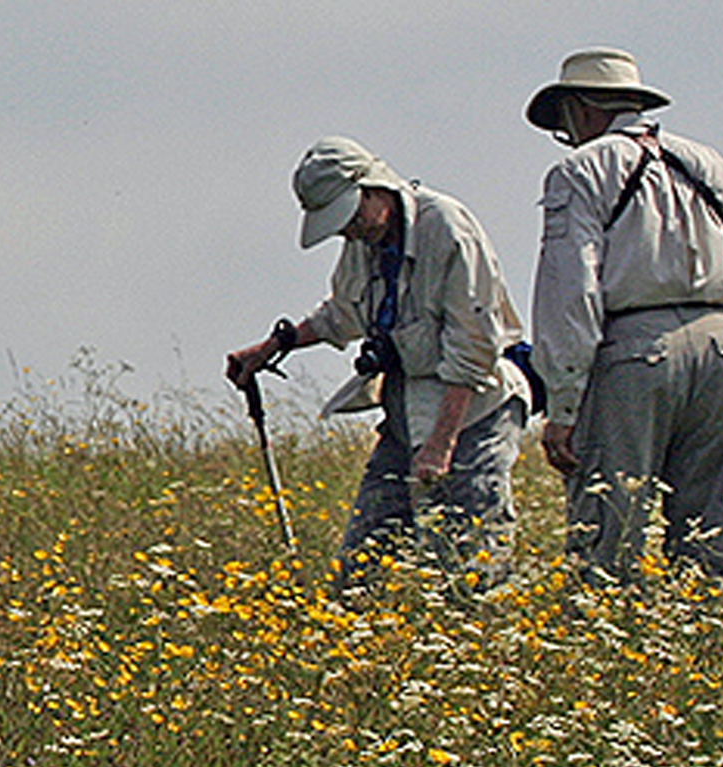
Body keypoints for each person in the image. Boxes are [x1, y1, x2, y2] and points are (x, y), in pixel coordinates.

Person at [526, 48, 723, 580]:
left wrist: (562, 406)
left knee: (608, 533)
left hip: (633, 353)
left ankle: (604, 648)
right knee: (718, 538)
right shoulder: (715, 165)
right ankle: (715, 650)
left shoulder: (579, 171)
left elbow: (571, 295)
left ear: (580, 110)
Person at [227, 137, 529, 578]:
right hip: (408, 406)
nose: (347, 230)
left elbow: (474, 345)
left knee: (470, 562)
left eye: (349, 216)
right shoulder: (365, 238)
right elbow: (345, 312)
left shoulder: (446, 228)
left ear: (373, 189)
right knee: (363, 564)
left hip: (475, 410)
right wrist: (277, 345)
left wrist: (442, 442)